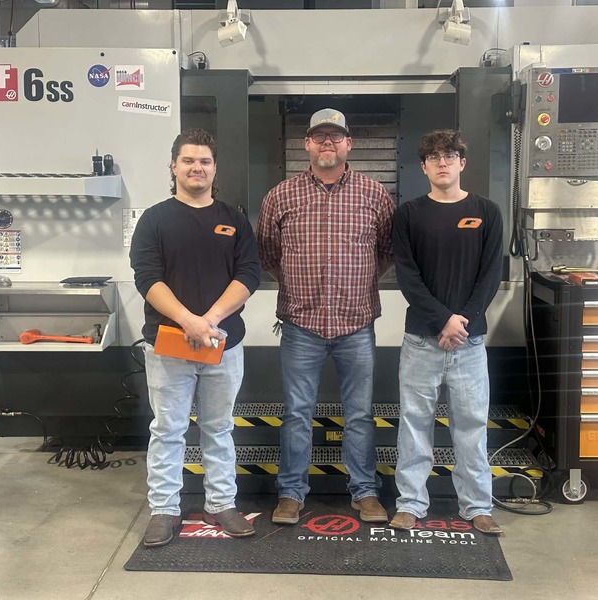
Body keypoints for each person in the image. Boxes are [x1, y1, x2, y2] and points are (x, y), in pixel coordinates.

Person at [257, 108, 395, 525]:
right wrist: (299, 285)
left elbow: (387, 251)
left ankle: (365, 493)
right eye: (320, 137)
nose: (328, 143)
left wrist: (359, 281)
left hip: (357, 323)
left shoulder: (375, 195)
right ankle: (291, 494)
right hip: (302, 325)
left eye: (336, 137)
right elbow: (267, 253)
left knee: (359, 414)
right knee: (297, 411)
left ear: (349, 143)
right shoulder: (281, 196)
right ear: (308, 144)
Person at [130, 129, 261, 547]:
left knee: (219, 427)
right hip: (169, 344)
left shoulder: (233, 219)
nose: (196, 167)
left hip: (224, 343)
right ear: (173, 166)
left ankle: (221, 503)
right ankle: (165, 509)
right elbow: (147, 278)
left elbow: (249, 275)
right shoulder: (154, 219)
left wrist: (210, 320)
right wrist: (188, 321)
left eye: (204, 161)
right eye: (188, 160)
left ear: (215, 168)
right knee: (167, 428)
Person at [390, 129, 504, 535]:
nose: (443, 162)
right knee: (415, 424)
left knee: (471, 426)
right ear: (423, 167)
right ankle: (410, 504)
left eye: (450, 155)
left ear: (462, 162)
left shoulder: (487, 212)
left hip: (470, 342)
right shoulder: (408, 215)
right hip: (422, 340)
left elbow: (491, 275)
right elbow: (408, 276)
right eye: (434, 156)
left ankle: (477, 506)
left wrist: (463, 320)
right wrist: (442, 320)